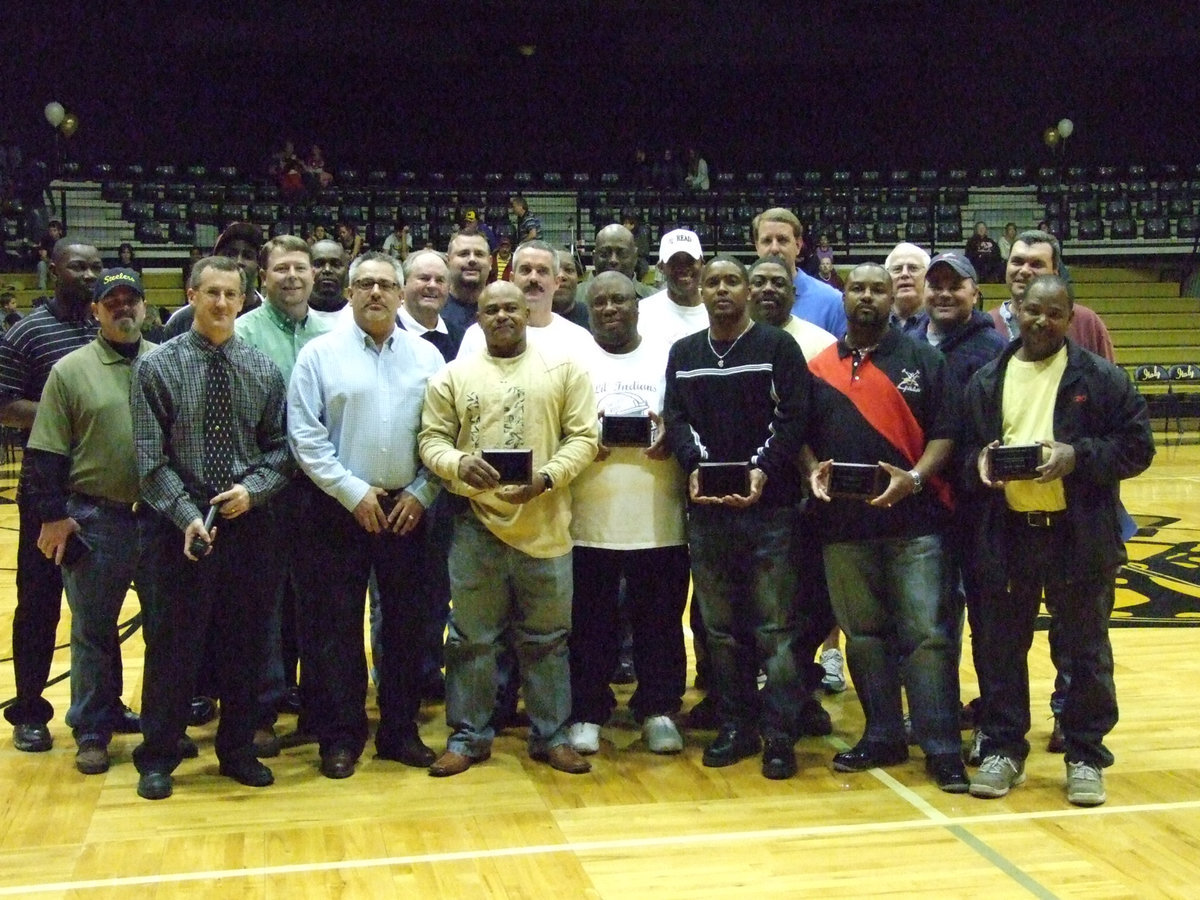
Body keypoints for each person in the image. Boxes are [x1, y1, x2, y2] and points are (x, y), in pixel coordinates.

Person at [961, 274, 1154, 806]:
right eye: (1031, 310)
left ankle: (1086, 755)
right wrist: (977, 464)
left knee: (1084, 651)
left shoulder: (1102, 378)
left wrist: (1077, 456)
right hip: (1008, 536)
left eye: (1053, 312)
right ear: (1015, 312)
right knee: (1001, 648)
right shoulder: (986, 380)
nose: (1040, 320)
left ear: (1070, 318)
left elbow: (1137, 448)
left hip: (1079, 537)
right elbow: (961, 455)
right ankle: (1003, 749)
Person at [418, 280, 599, 776]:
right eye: (491, 309)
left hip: (546, 523)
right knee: (471, 639)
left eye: (511, 308)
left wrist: (547, 477)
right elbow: (430, 440)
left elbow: (585, 436)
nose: (502, 316)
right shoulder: (452, 376)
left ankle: (552, 735)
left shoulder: (564, 368)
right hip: (476, 526)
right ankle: (469, 736)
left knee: (547, 640)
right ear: (477, 317)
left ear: (527, 313)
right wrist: (457, 463)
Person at [130, 256, 291, 800]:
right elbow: (150, 461)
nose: (222, 304)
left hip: (248, 524)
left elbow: (280, 451)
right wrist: (186, 517)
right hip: (179, 526)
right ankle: (158, 755)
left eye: (232, 295)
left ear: (244, 301)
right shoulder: (157, 367)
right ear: (191, 296)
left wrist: (254, 492)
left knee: (247, 644)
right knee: (173, 645)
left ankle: (237, 750)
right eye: (212, 293)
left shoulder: (264, 370)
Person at [803, 262, 967, 793]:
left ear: (894, 297)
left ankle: (941, 747)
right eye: (858, 288)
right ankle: (883, 735)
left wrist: (915, 478)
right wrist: (812, 471)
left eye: (878, 288)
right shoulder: (819, 366)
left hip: (916, 527)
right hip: (843, 529)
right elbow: (800, 436)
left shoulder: (925, 360)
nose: (868, 296)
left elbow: (947, 434)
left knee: (926, 638)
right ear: (843, 297)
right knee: (865, 637)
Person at [288, 251, 446, 779]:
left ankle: (399, 731)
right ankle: (340, 735)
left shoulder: (427, 359)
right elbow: (305, 437)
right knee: (334, 629)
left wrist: (423, 492)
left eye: (385, 285)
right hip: (336, 509)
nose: (375, 293)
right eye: (365, 284)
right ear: (350, 293)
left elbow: (446, 434)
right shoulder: (318, 355)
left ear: (401, 296)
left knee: (407, 628)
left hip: (407, 509)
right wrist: (353, 492)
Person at [663, 256, 812, 780]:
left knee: (775, 628)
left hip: (770, 512)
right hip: (706, 514)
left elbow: (793, 418)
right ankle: (737, 725)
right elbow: (676, 418)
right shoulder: (683, 353)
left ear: (748, 290)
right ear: (700, 292)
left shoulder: (777, 347)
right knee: (722, 630)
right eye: (713, 282)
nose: (722, 289)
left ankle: (780, 734)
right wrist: (696, 465)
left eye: (731, 281)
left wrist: (761, 471)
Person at [22, 268, 153, 775]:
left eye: (131, 300)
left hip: (162, 518)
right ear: (96, 311)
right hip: (100, 517)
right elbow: (45, 453)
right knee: (94, 630)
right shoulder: (70, 370)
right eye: (112, 301)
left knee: (168, 628)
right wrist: (54, 517)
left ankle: (162, 728)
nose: (123, 308)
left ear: (145, 308)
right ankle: (92, 728)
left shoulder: (166, 361)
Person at [566, 271, 689, 757]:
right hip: (586, 519)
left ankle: (658, 709)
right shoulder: (570, 359)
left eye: (620, 299)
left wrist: (671, 438)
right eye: (600, 302)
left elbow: (687, 420)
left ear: (637, 305)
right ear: (589, 308)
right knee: (588, 623)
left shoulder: (668, 355)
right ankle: (587, 712)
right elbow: (554, 426)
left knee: (660, 621)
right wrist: (579, 444)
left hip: (658, 517)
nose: (611, 308)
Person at [0, 238, 103, 753]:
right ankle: (29, 710)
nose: (88, 275)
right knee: (39, 605)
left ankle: (101, 705)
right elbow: (3, 406)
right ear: (53, 268)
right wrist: (65, 411)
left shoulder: (103, 325)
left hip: (101, 495)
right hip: (46, 493)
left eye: (96, 267)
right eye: (77, 266)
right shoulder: (27, 332)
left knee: (99, 611)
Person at [233, 235, 332, 755]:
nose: (292, 276)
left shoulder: (334, 332)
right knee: (263, 607)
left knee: (319, 603)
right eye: (281, 269)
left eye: (301, 267)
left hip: (322, 493)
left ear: (314, 276)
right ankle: (262, 709)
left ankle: (316, 705)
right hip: (263, 491)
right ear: (263, 278)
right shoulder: (242, 332)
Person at [990, 230, 1115, 362]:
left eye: (1036, 264)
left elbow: (1109, 378)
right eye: (1017, 262)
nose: (1025, 270)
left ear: (1055, 272)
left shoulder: (1087, 323)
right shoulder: (989, 324)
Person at [457, 240, 594, 359]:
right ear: (512, 279)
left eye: (542, 271)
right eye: (526, 270)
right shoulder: (477, 336)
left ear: (557, 282)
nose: (533, 278)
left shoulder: (579, 340)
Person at [752, 208, 845, 338]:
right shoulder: (743, 299)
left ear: (798, 245)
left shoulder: (832, 302)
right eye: (767, 241)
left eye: (782, 240)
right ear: (757, 247)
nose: (774, 248)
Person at [163, 222, 264, 339]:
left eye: (248, 255)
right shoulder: (181, 320)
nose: (239, 261)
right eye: (230, 254)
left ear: (258, 266)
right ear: (214, 260)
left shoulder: (267, 319)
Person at [638, 228, 708, 343]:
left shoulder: (717, 310)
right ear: (661, 267)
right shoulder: (644, 311)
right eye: (674, 262)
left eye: (689, 260)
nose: (683, 268)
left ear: (702, 263)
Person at [578, 224, 657, 305]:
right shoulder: (574, 297)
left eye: (622, 254)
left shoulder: (656, 300)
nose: (613, 260)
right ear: (594, 258)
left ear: (635, 257)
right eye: (605, 253)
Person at [443, 232, 492, 335]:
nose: (472, 260)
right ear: (448, 261)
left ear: (490, 262)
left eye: (479, 254)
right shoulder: (434, 309)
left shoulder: (502, 310)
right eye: (464, 254)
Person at [884, 242, 929, 334]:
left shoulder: (939, 321)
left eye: (913, 268)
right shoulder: (875, 322)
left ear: (927, 276)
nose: (904, 274)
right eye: (897, 269)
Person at [308, 239, 350, 321]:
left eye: (336, 264)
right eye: (318, 264)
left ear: (347, 270)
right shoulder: (291, 315)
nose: (327, 269)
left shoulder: (359, 318)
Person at [551, 249, 589, 329]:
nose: (561, 276)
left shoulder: (594, 318)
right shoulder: (526, 320)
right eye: (554, 270)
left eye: (569, 270)